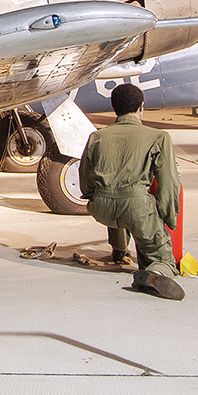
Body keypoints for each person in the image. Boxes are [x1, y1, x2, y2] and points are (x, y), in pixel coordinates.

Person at [79, 83, 184, 301]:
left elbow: (86, 180)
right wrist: (166, 218)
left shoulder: (97, 136)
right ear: (141, 107)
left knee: (114, 194)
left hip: (101, 208)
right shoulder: (158, 137)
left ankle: (119, 251)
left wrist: (93, 199)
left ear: (114, 107)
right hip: (135, 207)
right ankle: (155, 273)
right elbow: (169, 184)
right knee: (163, 258)